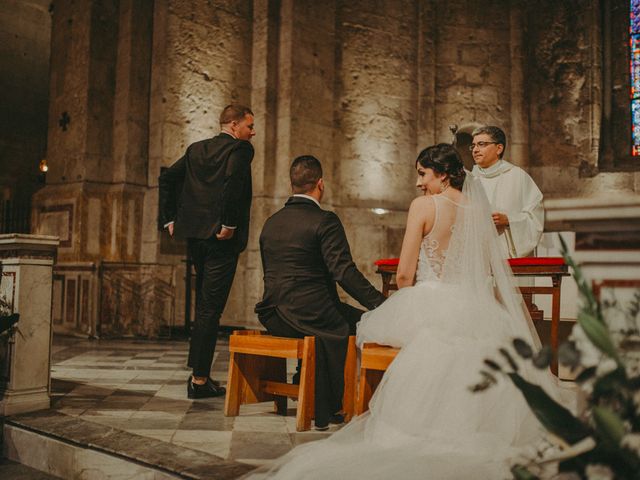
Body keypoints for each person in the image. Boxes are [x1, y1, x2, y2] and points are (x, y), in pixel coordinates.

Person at [247, 144, 559, 479]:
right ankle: (340, 403)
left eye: (422, 174)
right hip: (474, 304)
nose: (418, 183)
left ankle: (352, 406)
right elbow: (485, 270)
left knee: (379, 335)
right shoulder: (478, 211)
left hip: (409, 300)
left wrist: (398, 304)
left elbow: (405, 275)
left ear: (441, 173)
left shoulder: (423, 206)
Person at [255, 155, 386, 431]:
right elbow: (344, 273)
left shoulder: (271, 222)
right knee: (365, 323)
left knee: (336, 316)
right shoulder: (325, 220)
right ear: (321, 184)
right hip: (310, 315)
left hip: (272, 314)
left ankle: (311, 385)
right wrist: (380, 304)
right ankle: (341, 403)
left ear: (292, 184)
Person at [158, 104, 255, 399]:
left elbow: (167, 178)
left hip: (196, 238)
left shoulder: (196, 149)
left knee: (204, 306)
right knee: (210, 308)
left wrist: (171, 218)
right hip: (221, 240)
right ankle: (199, 380)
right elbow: (233, 185)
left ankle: (199, 374)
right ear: (234, 125)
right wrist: (229, 224)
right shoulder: (240, 150)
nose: (252, 132)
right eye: (250, 126)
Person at [470, 126, 544, 258]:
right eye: (473, 145)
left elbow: (536, 220)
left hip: (510, 259)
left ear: (499, 148)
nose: (475, 150)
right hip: (477, 257)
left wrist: (509, 221)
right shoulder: (469, 180)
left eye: (481, 144)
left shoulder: (518, 177)